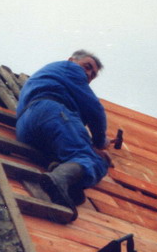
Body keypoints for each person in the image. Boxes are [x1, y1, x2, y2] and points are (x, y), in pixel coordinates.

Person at [16, 50, 114, 219]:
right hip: (52, 112)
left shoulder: (53, 78)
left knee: (74, 157)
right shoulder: (70, 68)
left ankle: (68, 182)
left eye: (93, 74)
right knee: (93, 159)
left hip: (26, 126)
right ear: (71, 60)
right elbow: (95, 110)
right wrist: (99, 141)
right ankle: (60, 179)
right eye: (87, 66)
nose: (89, 74)